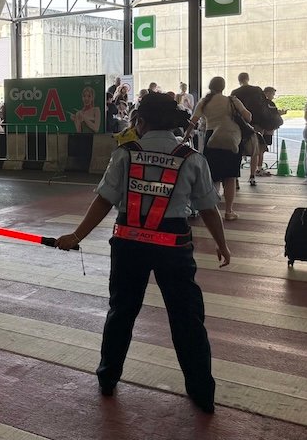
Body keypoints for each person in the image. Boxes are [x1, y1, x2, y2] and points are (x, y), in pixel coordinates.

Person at [55, 93, 231, 414]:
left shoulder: (125, 154)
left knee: (121, 311)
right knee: (187, 319)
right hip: (173, 249)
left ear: (141, 122)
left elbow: (104, 200)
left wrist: (76, 235)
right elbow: (208, 209)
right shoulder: (191, 158)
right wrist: (221, 243)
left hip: (129, 246)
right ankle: (202, 392)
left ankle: (108, 378)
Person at [190, 77, 252, 221]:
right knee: (230, 176)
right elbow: (248, 117)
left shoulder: (204, 101)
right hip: (231, 138)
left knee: (213, 176)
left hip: (211, 139)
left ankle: (213, 210)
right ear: (223, 87)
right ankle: (229, 211)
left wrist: (187, 135)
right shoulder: (232, 100)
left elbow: (193, 120)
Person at [256, 87, 286, 177]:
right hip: (267, 128)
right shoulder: (269, 103)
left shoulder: (258, 103)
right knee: (261, 149)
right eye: (272, 94)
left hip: (260, 128)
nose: (273, 96)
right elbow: (273, 114)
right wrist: (280, 113)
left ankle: (258, 167)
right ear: (267, 93)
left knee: (259, 149)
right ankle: (259, 168)